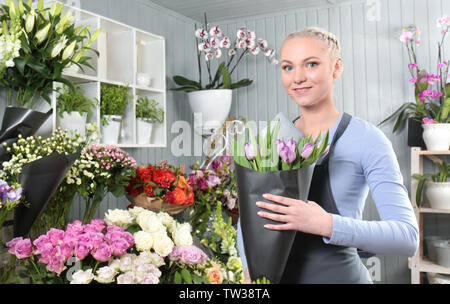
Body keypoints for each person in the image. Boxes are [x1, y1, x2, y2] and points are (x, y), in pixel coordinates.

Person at [237, 27, 419, 284]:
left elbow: (406, 237)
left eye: (311, 64)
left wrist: (325, 224)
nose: (297, 77)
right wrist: (250, 272)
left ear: (336, 68)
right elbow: (248, 223)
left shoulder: (367, 139)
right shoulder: (273, 138)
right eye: (288, 67)